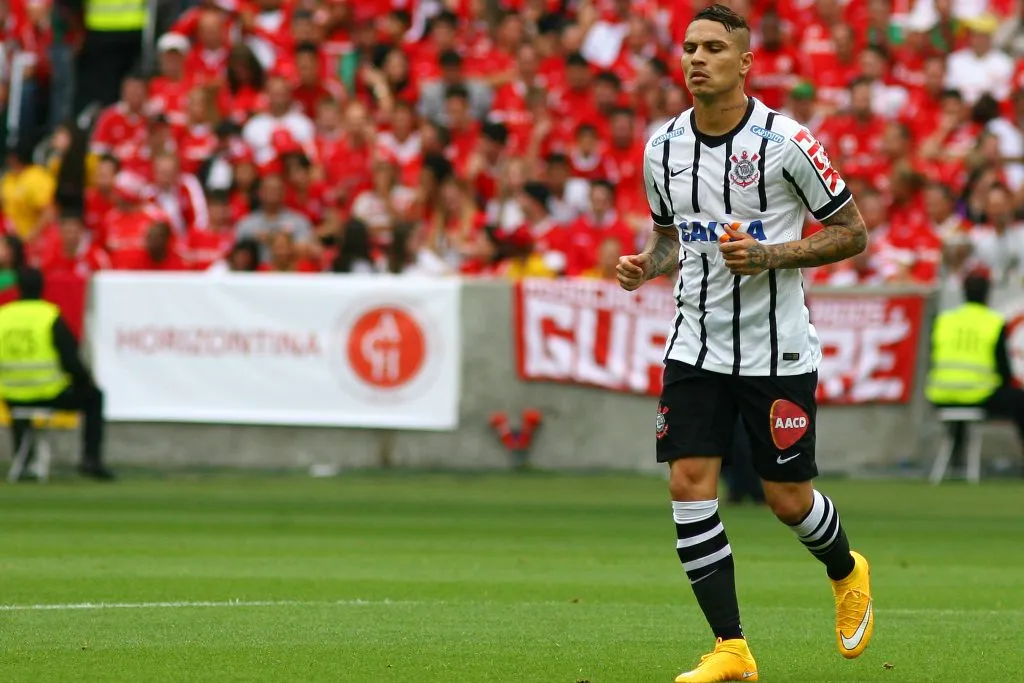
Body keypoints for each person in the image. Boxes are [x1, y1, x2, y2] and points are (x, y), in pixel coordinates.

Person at [615, 6, 872, 681]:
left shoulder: (786, 142)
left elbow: (853, 231)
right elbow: (672, 237)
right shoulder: (661, 147)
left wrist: (773, 254)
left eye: (713, 48)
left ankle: (847, 570)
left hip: (777, 348)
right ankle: (732, 647)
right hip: (693, 344)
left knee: (786, 498)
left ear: (745, 61)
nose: (697, 58)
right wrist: (648, 262)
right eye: (689, 47)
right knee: (688, 483)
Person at [0, 269, 112, 481]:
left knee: (21, 405)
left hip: (11, 395)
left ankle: (23, 459)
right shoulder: (49, 316)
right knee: (94, 397)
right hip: (49, 393)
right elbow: (71, 360)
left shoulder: (3, 316)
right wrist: (85, 380)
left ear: (18, 289)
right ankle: (91, 460)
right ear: (42, 287)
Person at [926, 269, 1024, 451]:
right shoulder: (993, 322)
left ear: (964, 292)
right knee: (1019, 399)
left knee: (961, 404)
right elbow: (1003, 369)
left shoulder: (944, 320)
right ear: (988, 293)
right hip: (978, 394)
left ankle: (956, 454)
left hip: (940, 395)